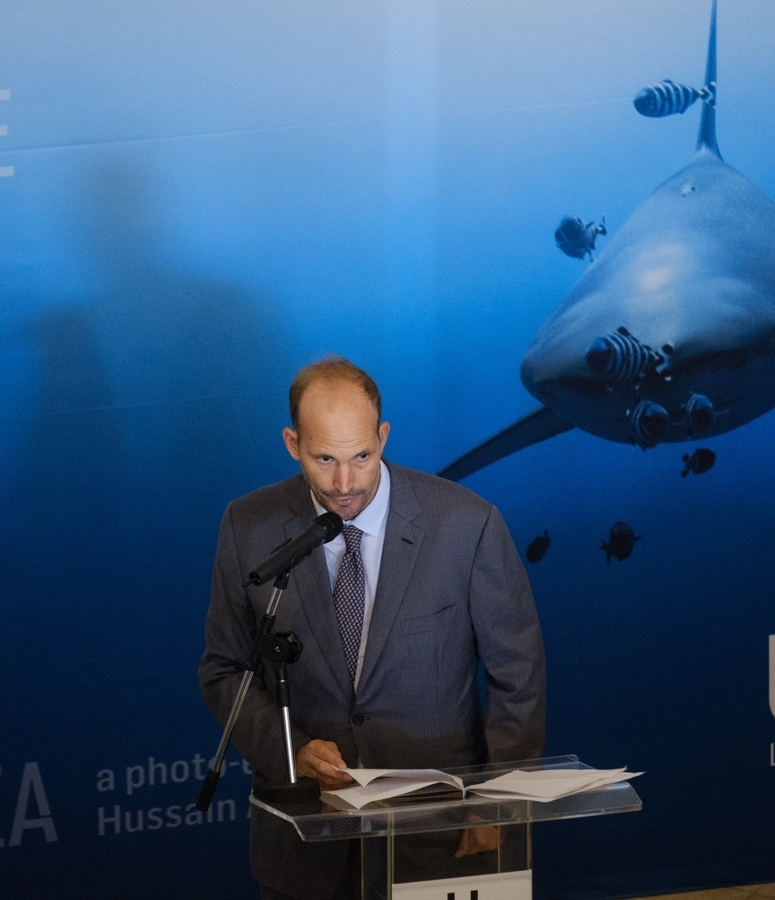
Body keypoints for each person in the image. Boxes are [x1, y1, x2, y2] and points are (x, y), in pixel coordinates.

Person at [198, 356, 546, 900]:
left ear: (383, 436)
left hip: (438, 833)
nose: (344, 483)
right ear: (292, 444)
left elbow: (518, 676)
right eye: (324, 459)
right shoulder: (250, 526)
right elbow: (225, 668)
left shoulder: (466, 523)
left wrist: (498, 805)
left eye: (362, 456)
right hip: (308, 837)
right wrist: (290, 748)